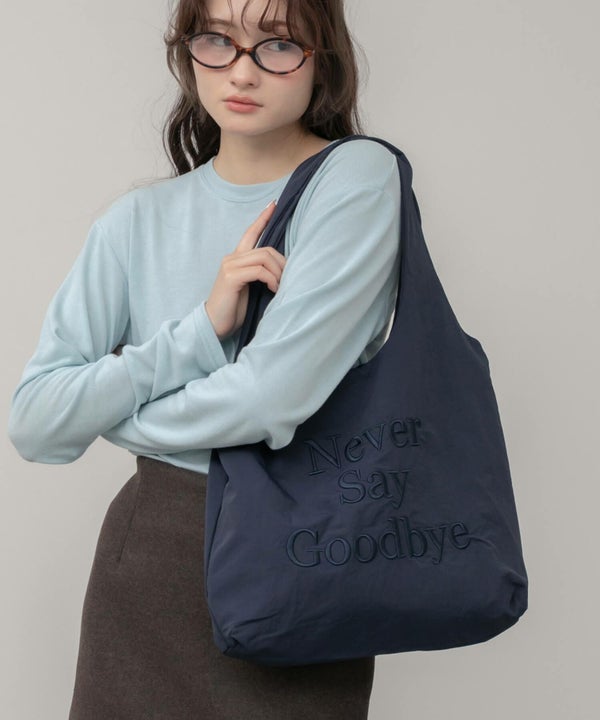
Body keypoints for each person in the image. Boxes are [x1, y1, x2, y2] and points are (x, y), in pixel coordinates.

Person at [8, 0, 401, 717]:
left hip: (301, 548)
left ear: (324, 58)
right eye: (217, 40)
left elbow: (270, 399)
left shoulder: (354, 178)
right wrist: (198, 333)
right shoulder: (135, 221)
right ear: (185, 51)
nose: (242, 71)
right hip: (153, 552)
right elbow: (36, 422)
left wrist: (123, 421)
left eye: (277, 45)